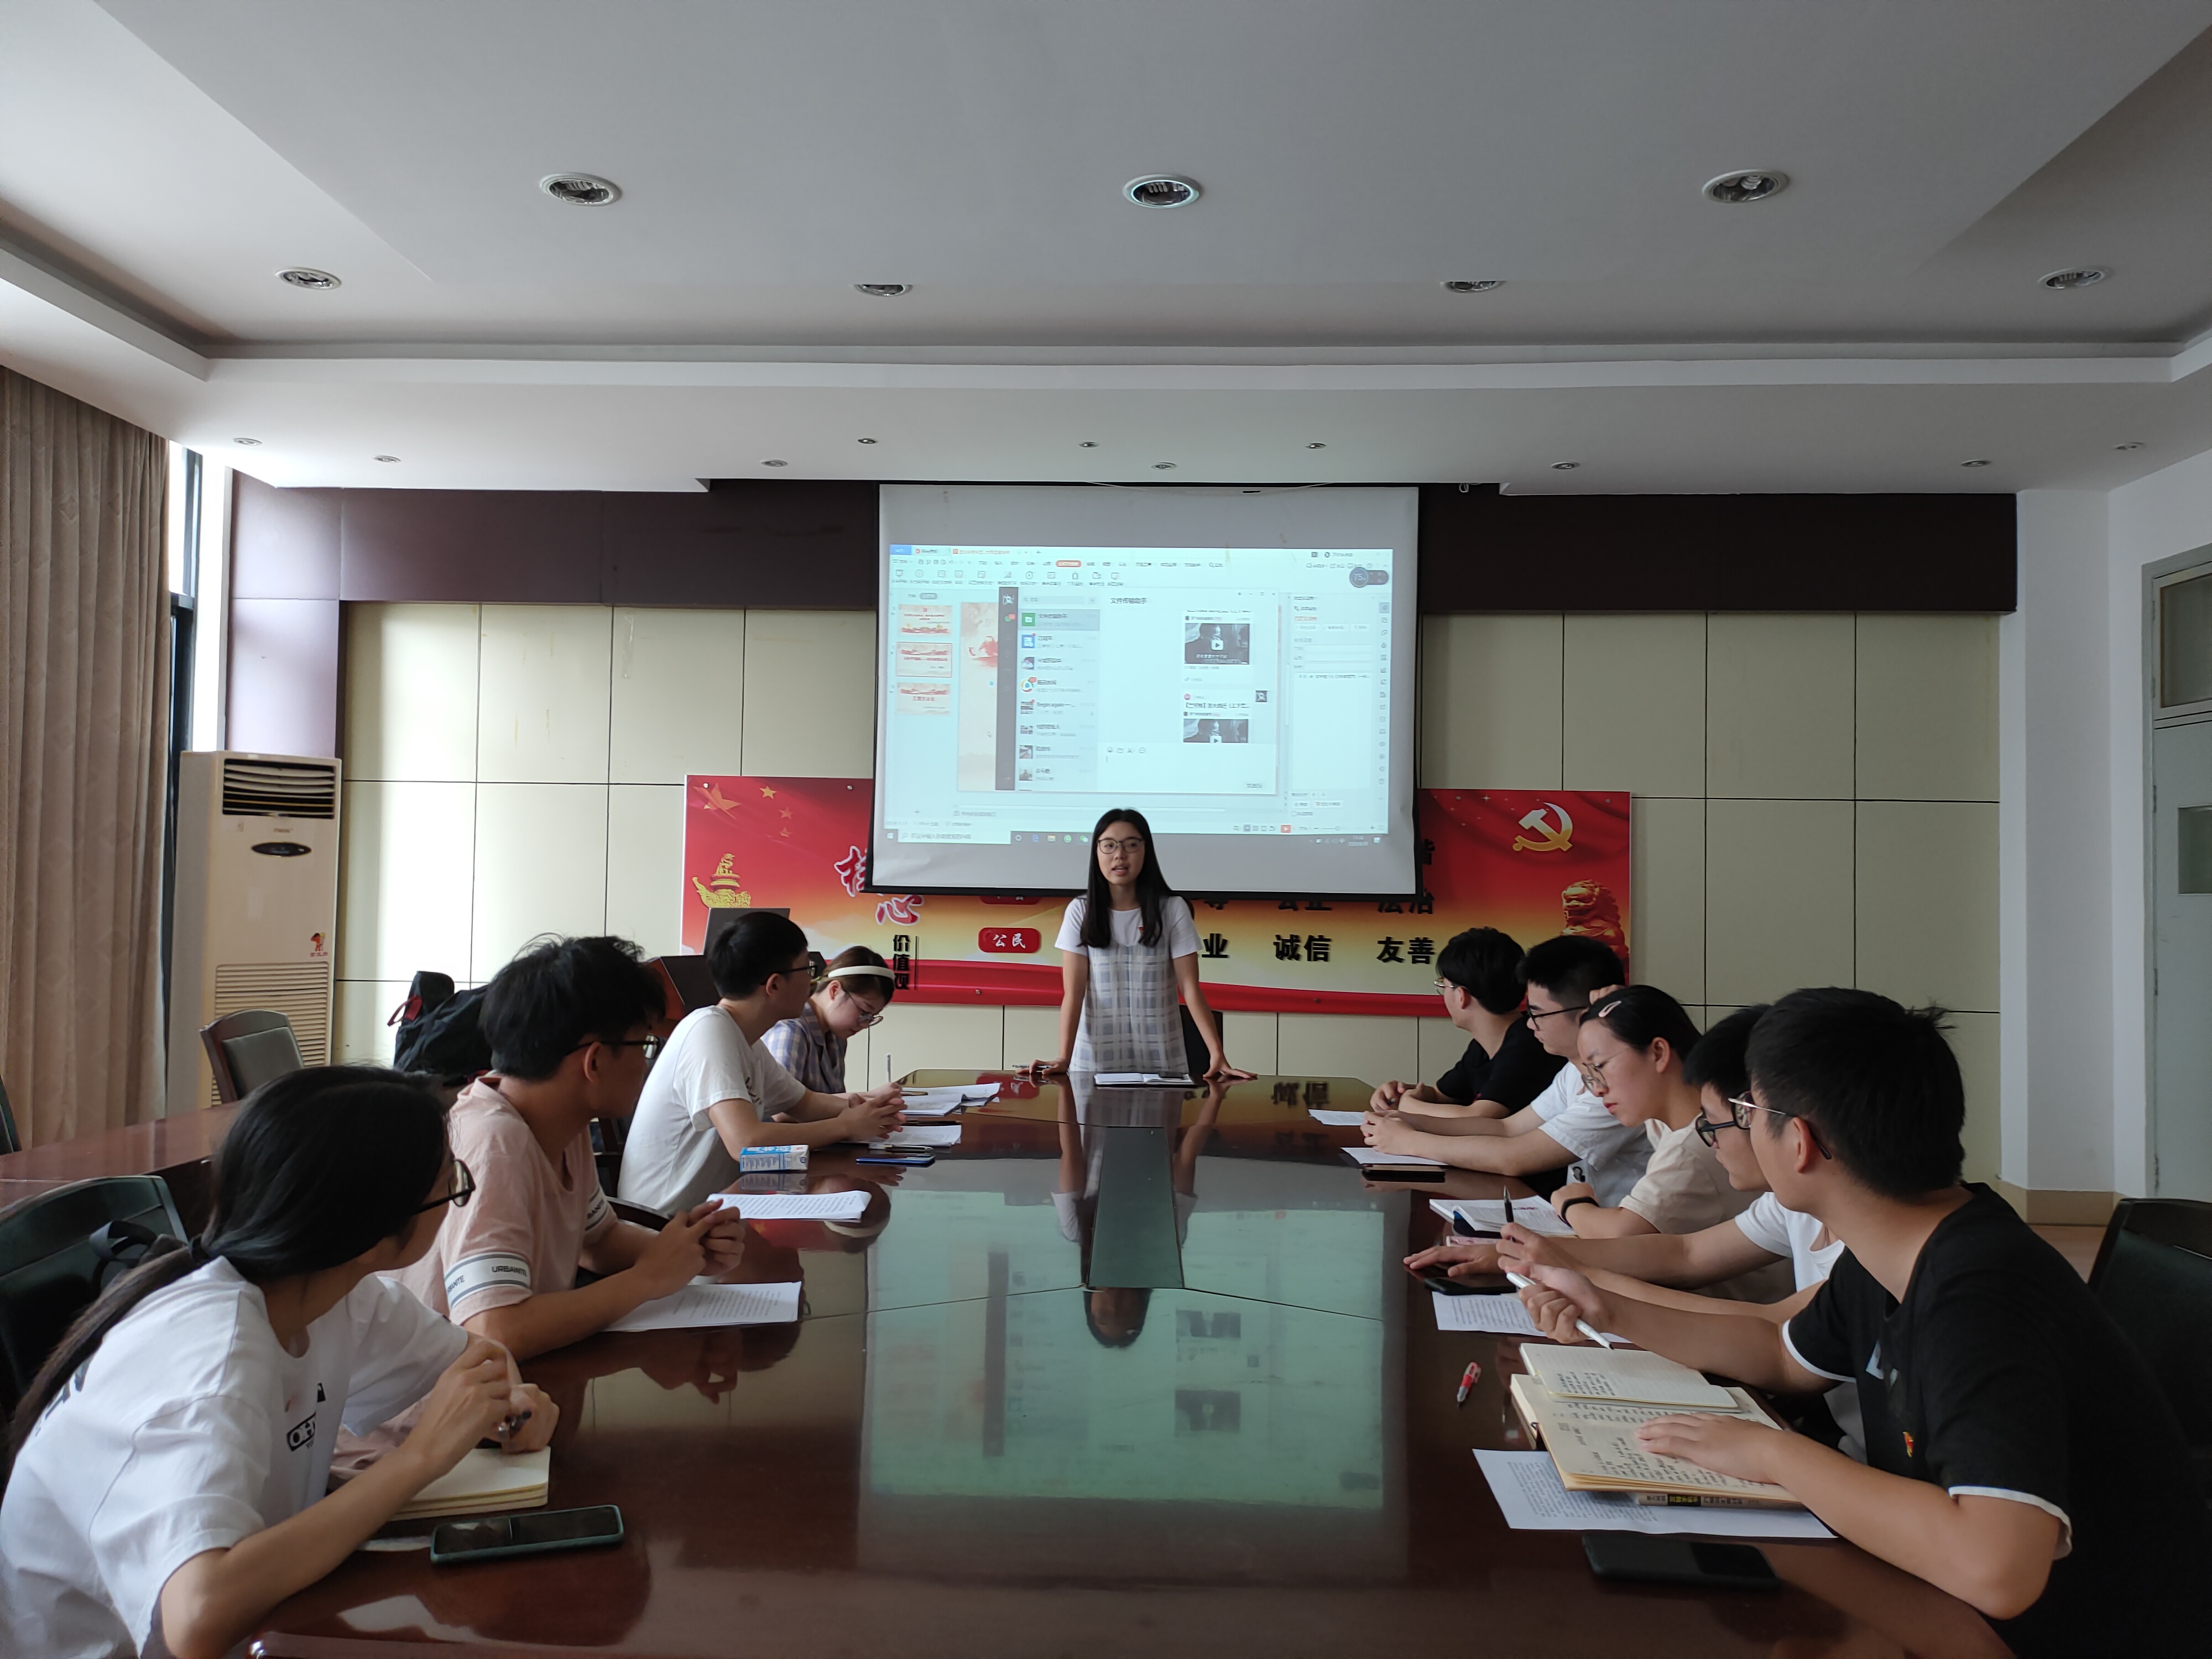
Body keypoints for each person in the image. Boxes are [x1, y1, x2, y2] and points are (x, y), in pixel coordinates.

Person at [1515, 988, 2208, 1657]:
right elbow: (1778, 1350)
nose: (1735, 1129)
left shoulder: (1980, 1293)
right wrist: (1608, 1307)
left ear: (1800, 1141)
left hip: (2051, 1632)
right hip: (1943, 1600)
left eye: (1748, 1110)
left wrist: (1771, 1454)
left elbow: (1996, 1569)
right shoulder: (1891, 1249)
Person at [0, 1068, 559, 1659]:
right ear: (372, 1236)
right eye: (452, 1185)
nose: (455, 1198)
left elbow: (480, 1358)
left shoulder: (331, 1290)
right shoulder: (212, 1361)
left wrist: (508, 1406)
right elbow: (198, 1618)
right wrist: (419, 1458)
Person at [395, 934, 749, 1360]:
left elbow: (597, 1240)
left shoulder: (564, 1123)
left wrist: (686, 1253)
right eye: (643, 1045)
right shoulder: (495, 1144)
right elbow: (494, 1329)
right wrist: (647, 1279)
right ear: (594, 1061)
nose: (646, 1064)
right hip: (439, 1395)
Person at [618, 911, 905, 1214]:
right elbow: (746, 1143)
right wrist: (845, 1126)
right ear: (774, 985)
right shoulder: (709, 1031)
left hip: (715, 1212)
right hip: (661, 1223)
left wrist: (869, 1109)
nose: (812, 980)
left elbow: (805, 1103)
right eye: (806, 969)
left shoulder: (746, 1038)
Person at [1361, 937, 1649, 1202]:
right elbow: (1506, 1128)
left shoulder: (1616, 1085)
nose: (1530, 1024)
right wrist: (1408, 1121)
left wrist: (1409, 1141)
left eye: (1538, 1013)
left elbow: (1514, 1157)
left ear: (1587, 1014)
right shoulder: (1574, 1072)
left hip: (1620, 1234)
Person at [1541, 989, 1782, 1296]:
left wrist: (1573, 1204)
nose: (1597, 1089)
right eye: (1589, 1075)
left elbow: (1625, 1238)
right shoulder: (1662, 1120)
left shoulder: (1695, 1144)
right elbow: (1684, 1254)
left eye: (1599, 1066)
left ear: (1658, 1053)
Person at [1026, 808, 1249, 1082]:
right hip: (1094, 1063)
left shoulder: (1172, 910)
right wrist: (1064, 1057)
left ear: (1146, 851)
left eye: (1131, 845)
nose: (1120, 855)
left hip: (1162, 1060)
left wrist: (1217, 1054)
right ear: (1097, 852)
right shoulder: (1080, 911)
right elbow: (1074, 994)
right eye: (1109, 845)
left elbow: (1190, 988)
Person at [1368, 927, 1554, 1121]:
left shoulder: (1529, 1045)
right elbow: (1440, 1096)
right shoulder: (1482, 1048)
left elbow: (1479, 1117)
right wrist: (1401, 1093)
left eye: (1444, 986)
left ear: (1461, 996)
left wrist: (1410, 1105)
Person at [763, 945, 895, 1094]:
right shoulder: (791, 1030)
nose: (865, 1025)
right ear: (835, 990)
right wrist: (868, 1098)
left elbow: (833, 1099)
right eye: (864, 1012)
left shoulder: (836, 1036)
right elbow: (780, 1105)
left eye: (871, 1018)